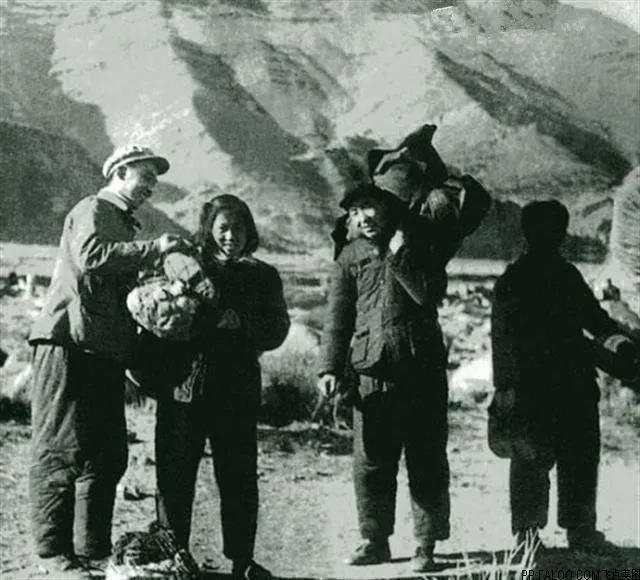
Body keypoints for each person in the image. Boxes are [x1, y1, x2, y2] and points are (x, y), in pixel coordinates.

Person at [28, 145, 187, 578]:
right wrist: (155, 249)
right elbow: (91, 256)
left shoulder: (121, 221)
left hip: (101, 349)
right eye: (145, 176)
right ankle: (53, 552)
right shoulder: (93, 209)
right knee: (61, 450)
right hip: (66, 342)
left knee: (108, 453)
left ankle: (92, 549)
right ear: (119, 171)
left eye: (154, 180)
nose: (151, 186)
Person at [154, 194, 290, 580]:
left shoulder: (263, 276)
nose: (232, 236)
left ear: (250, 231)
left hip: (236, 391)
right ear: (208, 230)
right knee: (174, 476)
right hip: (184, 387)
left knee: (238, 476)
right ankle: (172, 557)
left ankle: (242, 561)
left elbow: (277, 329)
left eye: (239, 228)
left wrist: (242, 323)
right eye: (223, 228)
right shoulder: (186, 267)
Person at [317, 183, 451, 572]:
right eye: (354, 211)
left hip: (421, 374)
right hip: (370, 375)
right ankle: (375, 540)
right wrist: (329, 367)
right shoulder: (349, 256)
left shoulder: (420, 246)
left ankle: (426, 545)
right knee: (371, 462)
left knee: (426, 459)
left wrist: (398, 254)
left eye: (368, 207)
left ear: (388, 208)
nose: (362, 217)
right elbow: (337, 317)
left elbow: (426, 295)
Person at [491, 200, 634, 553]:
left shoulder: (562, 276)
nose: (552, 237)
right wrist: (507, 389)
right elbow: (504, 343)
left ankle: (573, 531)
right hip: (537, 387)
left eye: (555, 230)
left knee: (574, 459)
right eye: (546, 230)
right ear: (531, 234)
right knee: (534, 461)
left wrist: (623, 345)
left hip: (568, 385)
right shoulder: (517, 281)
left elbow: (597, 321)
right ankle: (533, 535)